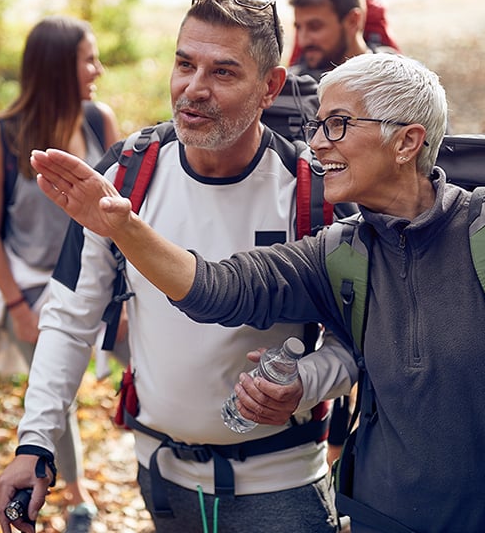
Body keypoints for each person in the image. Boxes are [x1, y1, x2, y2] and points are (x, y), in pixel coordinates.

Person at [30, 51, 485, 532]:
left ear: (407, 142)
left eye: (337, 124)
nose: (317, 143)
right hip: (380, 515)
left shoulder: (477, 231)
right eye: (316, 125)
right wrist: (123, 228)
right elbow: (221, 288)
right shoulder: (339, 253)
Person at [0, 0, 358, 532]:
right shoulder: (124, 176)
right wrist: (36, 443)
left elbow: (362, 338)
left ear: (270, 87)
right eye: (185, 64)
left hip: (282, 485)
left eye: (223, 71)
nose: (194, 87)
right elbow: (69, 320)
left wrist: (307, 379)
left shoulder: (312, 191)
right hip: (161, 481)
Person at [0, 15, 119, 533]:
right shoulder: (2, 134)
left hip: (97, 277)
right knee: (55, 379)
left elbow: (121, 214)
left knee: (150, 351)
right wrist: (17, 306)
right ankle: (78, 497)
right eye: (88, 58)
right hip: (31, 283)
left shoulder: (99, 121)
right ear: (60, 68)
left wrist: (122, 305)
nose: (97, 68)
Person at [288, 0, 399, 81]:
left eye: (315, 27)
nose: (303, 41)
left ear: (353, 21)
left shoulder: (396, 77)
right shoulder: (290, 84)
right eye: (298, 27)